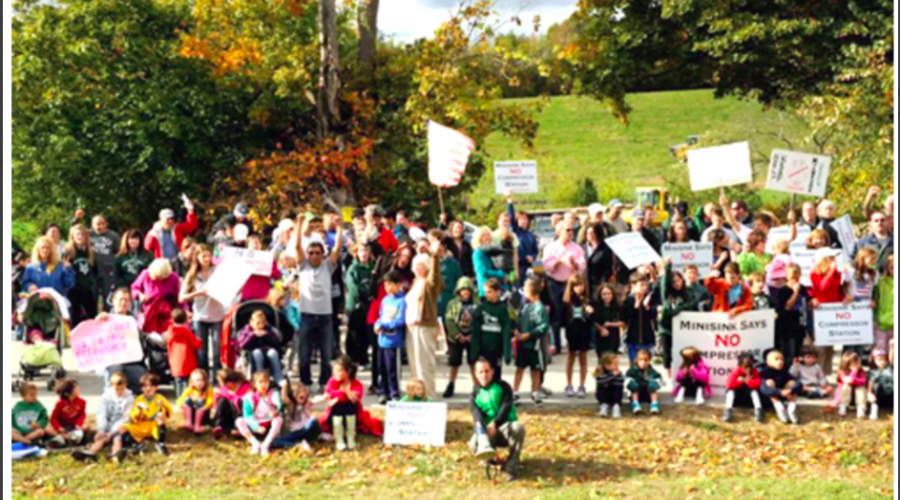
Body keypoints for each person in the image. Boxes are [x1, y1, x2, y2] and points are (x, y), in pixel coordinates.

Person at [294, 213, 343, 391]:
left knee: (326, 352)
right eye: (311, 253)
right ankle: (305, 382)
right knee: (305, 353)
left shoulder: (327, 266)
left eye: (318, 253)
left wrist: (339, 228)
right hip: (307, 314)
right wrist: (299, 225)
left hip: (325, 316)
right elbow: (298, 246)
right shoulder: (303, 265)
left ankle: (324, 382)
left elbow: (337, 248)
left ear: (323, 254)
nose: (314, 256)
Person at [468, 357, 526, 482]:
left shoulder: (503, 386)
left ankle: (512, 467)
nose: (484, 375)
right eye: (481, 372)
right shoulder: (474, 393)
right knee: (473, 444)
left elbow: (506, 406)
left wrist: (495, 423)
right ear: (475, 374)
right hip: (488, 431)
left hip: (505, 428)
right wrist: (483, 430)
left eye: (487, 371)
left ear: (492, 371)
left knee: (518, 428)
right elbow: (475, 414)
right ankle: (490, 459)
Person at [404, 243, 444, 402]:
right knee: (415, 366)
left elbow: (435, 276)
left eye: (421, 265)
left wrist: (434, 257)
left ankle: (430, 398)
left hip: (424, 327)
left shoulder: (430, 284)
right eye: (416, 265)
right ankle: (417, 397)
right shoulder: (415, 283)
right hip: (411, 328)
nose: (418, 268)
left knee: (425, 366)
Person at [179, 244, 225, 378]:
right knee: (201, 351)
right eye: (203, 256)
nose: (206, 258)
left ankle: (217, 380)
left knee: (217, 350)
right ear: (197, 257)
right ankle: (202, 380)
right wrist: (198, 293)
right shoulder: (192, 275)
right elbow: (181, 297)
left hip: (217, 315)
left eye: (208, 255)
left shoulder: (217, 271)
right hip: (199, 316)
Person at [542, 219, 586, 354]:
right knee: (556, 315)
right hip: (555, 283)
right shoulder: (551, 247)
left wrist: (575, 264)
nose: (571, 233)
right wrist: (558, 261)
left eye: (572, 230)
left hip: (570, 284)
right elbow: (546, 266)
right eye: (567, 230)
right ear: (559, 231)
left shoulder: (577, 248)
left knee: (572, 315)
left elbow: (582, 267)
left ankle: (572, 344)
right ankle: (557, 345)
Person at [71, 372, 134, 462]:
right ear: (111, 386)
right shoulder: (106, 397)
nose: (119, 392)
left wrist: (112, 433)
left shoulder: (129, 398)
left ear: (126, 385)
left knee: (117, 439)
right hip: (107, 425)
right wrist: (102, 430)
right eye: (117, 389)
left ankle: (116, 455)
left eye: (122, 389)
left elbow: (125, 417)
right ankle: (89, 453)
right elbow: (101, 413)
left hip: (119, 426)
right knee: (101, 439)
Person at [809, 247, 849, 375]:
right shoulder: (814, 273)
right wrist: (831, 271)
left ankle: (826, 374)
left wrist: (843, 297)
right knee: (820, 345)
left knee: (829, 346)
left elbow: (837, 290)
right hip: (821, 311)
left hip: (833, 310)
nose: (834, 260)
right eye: (831, 257)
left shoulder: (837, 274)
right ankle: (816, 373)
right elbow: (822, 287)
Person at [513, 278, 549, 405]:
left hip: (535, 345)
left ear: (531, 292)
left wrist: (530, 334)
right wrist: (517, 330)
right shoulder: (525, 307)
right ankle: (515, 392)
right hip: (523, 344)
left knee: (536, 369)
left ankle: (535, 392)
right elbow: (519, 321)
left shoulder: (540, 308)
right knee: (520, 367)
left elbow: (543, 327)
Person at [470, 279, 512, 383]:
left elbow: (506, 330)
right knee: (484, 375)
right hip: (483, 350)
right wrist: (474, 351)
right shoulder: (481, 308)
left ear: (497, 292)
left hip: (496, 350)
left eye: (489, 292)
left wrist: (507, 352)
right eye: (485, 292)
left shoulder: (502, 309)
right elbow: (475, 331)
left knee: (496, 375)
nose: (486, 295)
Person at [121, 372, 172, 459]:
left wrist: (163, 406)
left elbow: (168, 413)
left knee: (160, 416)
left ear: (155, 387)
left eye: (151, 386)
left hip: (153, 426)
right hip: (141, 425)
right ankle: (136, 444)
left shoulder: (160, 398)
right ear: (142, 388)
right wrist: (139, 409)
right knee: (122, 428)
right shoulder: (139, 400)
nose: (148, 388)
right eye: (145, 386)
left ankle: (161, 443)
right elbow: (134, 418)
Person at [374, 271, 407, 404]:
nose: (387, 287)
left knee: (392, 369)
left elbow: (400, 321)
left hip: (394, 341)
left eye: (390, 284)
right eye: (385, 285)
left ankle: (394, 392)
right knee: (382, 368)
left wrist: (384, 325)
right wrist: (377, 324)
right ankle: (383, 392)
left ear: (398, 285)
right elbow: (381, 316)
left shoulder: (402, 301)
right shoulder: (385, 300)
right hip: (382, 340)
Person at [658, 260, 693, 376]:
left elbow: (690, 306)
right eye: (674, 282)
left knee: (680, 352)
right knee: (667, 353)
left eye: (678, 280)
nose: (677, 283)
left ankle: (680, 373)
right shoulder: (667, 294)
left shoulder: (686, 294)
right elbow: (664, 283)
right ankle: (668, 376)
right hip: (666, 328)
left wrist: (681, 308)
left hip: (681, 328)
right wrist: (668, 267)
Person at [236, 371, 284, 457]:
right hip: (255, 425)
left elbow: (278, 405)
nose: (264, 385)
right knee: (239, 421)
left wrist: (276, 410)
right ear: (254, 384)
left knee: (279, 419)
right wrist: (256, 427)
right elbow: (247, 416)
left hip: (269, 424)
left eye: (266, 382)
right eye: (260, 382)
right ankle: (255, 443)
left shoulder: (273, 394)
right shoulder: (249, 398)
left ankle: (266, 444)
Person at [345, 242, 376, 369]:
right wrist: (366, 292)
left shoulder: (373, 268)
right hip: (355, 306)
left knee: (366, 333)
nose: (364, 253)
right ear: (356, 253)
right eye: (361, 250)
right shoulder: (353, 269)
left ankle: (363, 358)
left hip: (369, 306)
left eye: (366, 250)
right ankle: (353, 359)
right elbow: (353, 288)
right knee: (354, 333)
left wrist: (370, 293)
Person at [131, 258, 181, 335]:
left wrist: (183, 310)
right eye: (156, 277)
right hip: (149, 310)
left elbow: (178, 297)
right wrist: (140, 295)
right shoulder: (146, 274)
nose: (158, 279)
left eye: (161, 277)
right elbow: (134, 288)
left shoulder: (173, 278)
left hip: (166, 311)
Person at [238, 310, 285, 386]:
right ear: (251, 322)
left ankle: (278, 377)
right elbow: (241, 345)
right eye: (258, 323)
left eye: (263, 323)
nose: (260, 325)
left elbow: (277, 342)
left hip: (267, 349)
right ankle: (259, 377)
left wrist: (267, 334)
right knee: (257, 353)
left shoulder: (268, 329)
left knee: (273, 352)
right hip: (252, 351)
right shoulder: (247, 330)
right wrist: (252, 335)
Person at [562, 275, 591, 398]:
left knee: (583, 359)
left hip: (584, 332)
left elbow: (592, 321)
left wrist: (591, 313)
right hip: (571, 332)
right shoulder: (567, 301)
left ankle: (582, 385)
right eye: (576, 285)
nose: (579, 288)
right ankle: (569, 384)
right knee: (570, 358)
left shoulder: (587, 300)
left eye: (581, 285)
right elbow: (562, 319)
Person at [271, 379, 322, 451]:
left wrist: (325, 396)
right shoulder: (291, 404)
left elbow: (316, 400)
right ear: (293, 394)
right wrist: (284, 387)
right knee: (275, 442)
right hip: (295, 433)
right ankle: (299, 445)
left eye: (304, 391)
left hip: (306, 430)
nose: (303, 393)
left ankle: (319, 435)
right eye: (299, 391)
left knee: (313, 421)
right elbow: (284, 398)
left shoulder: (306, 402)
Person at [65, 224, 99, 328]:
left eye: (82, 235)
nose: (80, 237)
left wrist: (94, 284)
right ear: (73, 236)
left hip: (87, 288)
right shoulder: (68, 252)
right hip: (73, 289)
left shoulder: (90, 252)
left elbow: (95, 271)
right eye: (78, 234)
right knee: (74, 315)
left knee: (92, 314)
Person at [775, 264, 808, 363]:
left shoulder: (803, 288)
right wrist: (795, 292)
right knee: (789, 354)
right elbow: (787, 306)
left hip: (800, 325)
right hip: (788, 328)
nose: (795, 279)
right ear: (787, 276)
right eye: (793, 276)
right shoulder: (783, 290)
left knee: (799, 354)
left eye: (798, 276)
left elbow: (807, 302)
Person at [623, 273, 659, 363]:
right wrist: (636, 306)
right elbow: (625, 317)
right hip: (633, 338)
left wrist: (647, 307)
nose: (644, 287)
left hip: (647, 337)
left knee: (646, 364)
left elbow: (653, 316)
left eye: (646, 285)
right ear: (633, 285)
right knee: (634, 364)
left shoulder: (649, 299)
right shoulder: (628, 300)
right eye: (641, 285)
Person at [759, 350, 800, 425]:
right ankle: (780, 409)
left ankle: (791, 409)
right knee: (769, 382)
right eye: (776, 359)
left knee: (792, 383)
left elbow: (798, 383)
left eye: (782, 359)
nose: (780, 362)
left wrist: (791, 390)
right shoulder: (764, 372)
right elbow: (763, 389)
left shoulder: (784, 371)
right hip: (771, 398)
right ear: (767, 361)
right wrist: (780, 392)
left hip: (785, 395)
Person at [166, 308, 201, 396]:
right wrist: (199, 341)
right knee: (186, 384)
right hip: (187, 363)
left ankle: (179, 400)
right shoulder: (186, 332)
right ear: (185, 320)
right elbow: (195, 344)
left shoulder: (170, 331)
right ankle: (185, 402)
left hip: (175, 363)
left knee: (178, 382)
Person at [506, 194, 539, 286]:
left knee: (530, 287)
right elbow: (511, 217)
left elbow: (535, 250)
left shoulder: (531, 235)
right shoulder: (515, 231)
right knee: (517, 288)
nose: (524, 221)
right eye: (521, 219)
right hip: (517, 266)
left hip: (529, 267)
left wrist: (533, 257)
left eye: (525, 219)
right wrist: (509, 201)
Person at [723, 353, 763, 423]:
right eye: (745, 367)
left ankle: (758, 410)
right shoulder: (736, 371)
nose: (747, 369)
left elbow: (758, 384)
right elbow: (728, 385)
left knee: (754, 391)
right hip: (736, 398)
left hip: (748, 400)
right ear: (740, 365)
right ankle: (727, 411)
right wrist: (740, 381)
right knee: (730, 391)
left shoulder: (754, 371)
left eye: (750, 366)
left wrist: (747, 381)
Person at [212, 369, 251, 439]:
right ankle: (219, 426)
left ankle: (238, 429)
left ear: (231, 382)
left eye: (223, 383)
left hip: (240, 416)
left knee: (235, 402)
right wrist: (217, 397)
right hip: (228, 416)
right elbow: (218, 404)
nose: (222, 385)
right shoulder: (224, 389)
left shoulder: (246, 387)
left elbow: (246, 401)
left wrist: (233, 397)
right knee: (222, 400)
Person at [829, 351, 868, 418]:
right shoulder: (842, 371)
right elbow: (847, 381)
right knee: (846, 386)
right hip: (845, 397)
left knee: (861, 388)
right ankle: (843, 406)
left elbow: (863, 381)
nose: (858, 365)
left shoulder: (861, 372)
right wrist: (854, 372)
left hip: (857, 397)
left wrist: (854, 376)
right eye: (855, 364)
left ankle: (861, 408)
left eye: (859, 363)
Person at [114, 229, 153, 297]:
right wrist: (123, 287)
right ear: (126, 240)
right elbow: (116, 274)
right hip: (125, 289)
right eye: (131, 239)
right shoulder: (120, 256)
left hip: (143, 289)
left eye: (136, 239)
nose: (134, 241)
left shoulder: (148, 255)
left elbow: (152, 273)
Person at [471, 226, 508, 297]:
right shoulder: (478, 253)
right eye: (483, 235)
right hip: (487, 291)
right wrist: (502, 274)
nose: (487, 237)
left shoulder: (492, 251)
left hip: (499, 289)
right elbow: (484, 272)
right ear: (479, 238)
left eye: (488, 234)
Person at [176, 368, 214, 435]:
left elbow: (211, 400)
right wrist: (182, 405)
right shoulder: (189, 390)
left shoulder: (208, 390)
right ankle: (189, 422)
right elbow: (180, 399)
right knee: (187, 399)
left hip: (203, 414)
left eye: (201, 380)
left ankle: (197, 425)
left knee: (200, 401)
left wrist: (205, 407)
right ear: (192, 382)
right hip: (192, 414)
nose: (199, 383)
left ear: (205, 381)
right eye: (197, 381)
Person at [592, 284, 624, 362]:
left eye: (609, 293)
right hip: (600, 336)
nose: (607, 296)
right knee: (601, 360)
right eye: (604, 294)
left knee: (612, 359)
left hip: (613, 336)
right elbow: (593, 321)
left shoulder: (617, 306)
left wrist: (610, 324)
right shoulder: (596, 306)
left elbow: (623, 322)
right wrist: (601, 329)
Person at [50, 379, 87, 447]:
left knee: (87, 426)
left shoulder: (82, 402)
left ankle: (67, 439)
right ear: (69, 391)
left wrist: (78, 424)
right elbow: (53, 418)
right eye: (76, 386)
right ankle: (65, 439)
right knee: (49, 430)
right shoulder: (60, 404)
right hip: (63, 427)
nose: (79, 387)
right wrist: (59, 427)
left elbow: (82, 414)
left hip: (74, 426)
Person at [624, 348, 662, 415]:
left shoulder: (651, 371)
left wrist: (654, 384)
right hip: (637, 392)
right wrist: (631, 384)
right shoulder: (632, 370)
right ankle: (635, 406)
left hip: (647, 393)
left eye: (646, 360)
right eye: (640, 360)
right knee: (634, 387)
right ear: (637, 360)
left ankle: (654, 406)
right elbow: (627, 379)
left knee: (653, 387)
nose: (643, 363)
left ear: (649, 360)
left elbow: (658, 379)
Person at [872, 253, 894, 354]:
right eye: (890, 262)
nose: (893, 264)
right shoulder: (880, 281)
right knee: (880, 356)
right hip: (881, 325)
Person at [594, 352, 624, 419]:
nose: (617, 366)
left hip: (614, 395)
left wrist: (616, 376)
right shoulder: (600, 372)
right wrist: (612, 376)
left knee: (618, 388)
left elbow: (620, 382)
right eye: (615, 364)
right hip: (604, 395)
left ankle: (616, 407)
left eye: (617, 364)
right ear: (607, 365)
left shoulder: (618, 373)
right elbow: (600, 381)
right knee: (601, 388)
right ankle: (604, 406)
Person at [867, 349, 893, 420]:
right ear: (874, 360)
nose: (882, 362)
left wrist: (892, 347)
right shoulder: (872, 372)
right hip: (879, 397)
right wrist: (869, 393)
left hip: (891, 395)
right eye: (879, 360)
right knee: (877, 386)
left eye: (884, 360)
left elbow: (892, 358)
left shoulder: (890, 369)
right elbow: (871, 383)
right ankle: (874, 409)